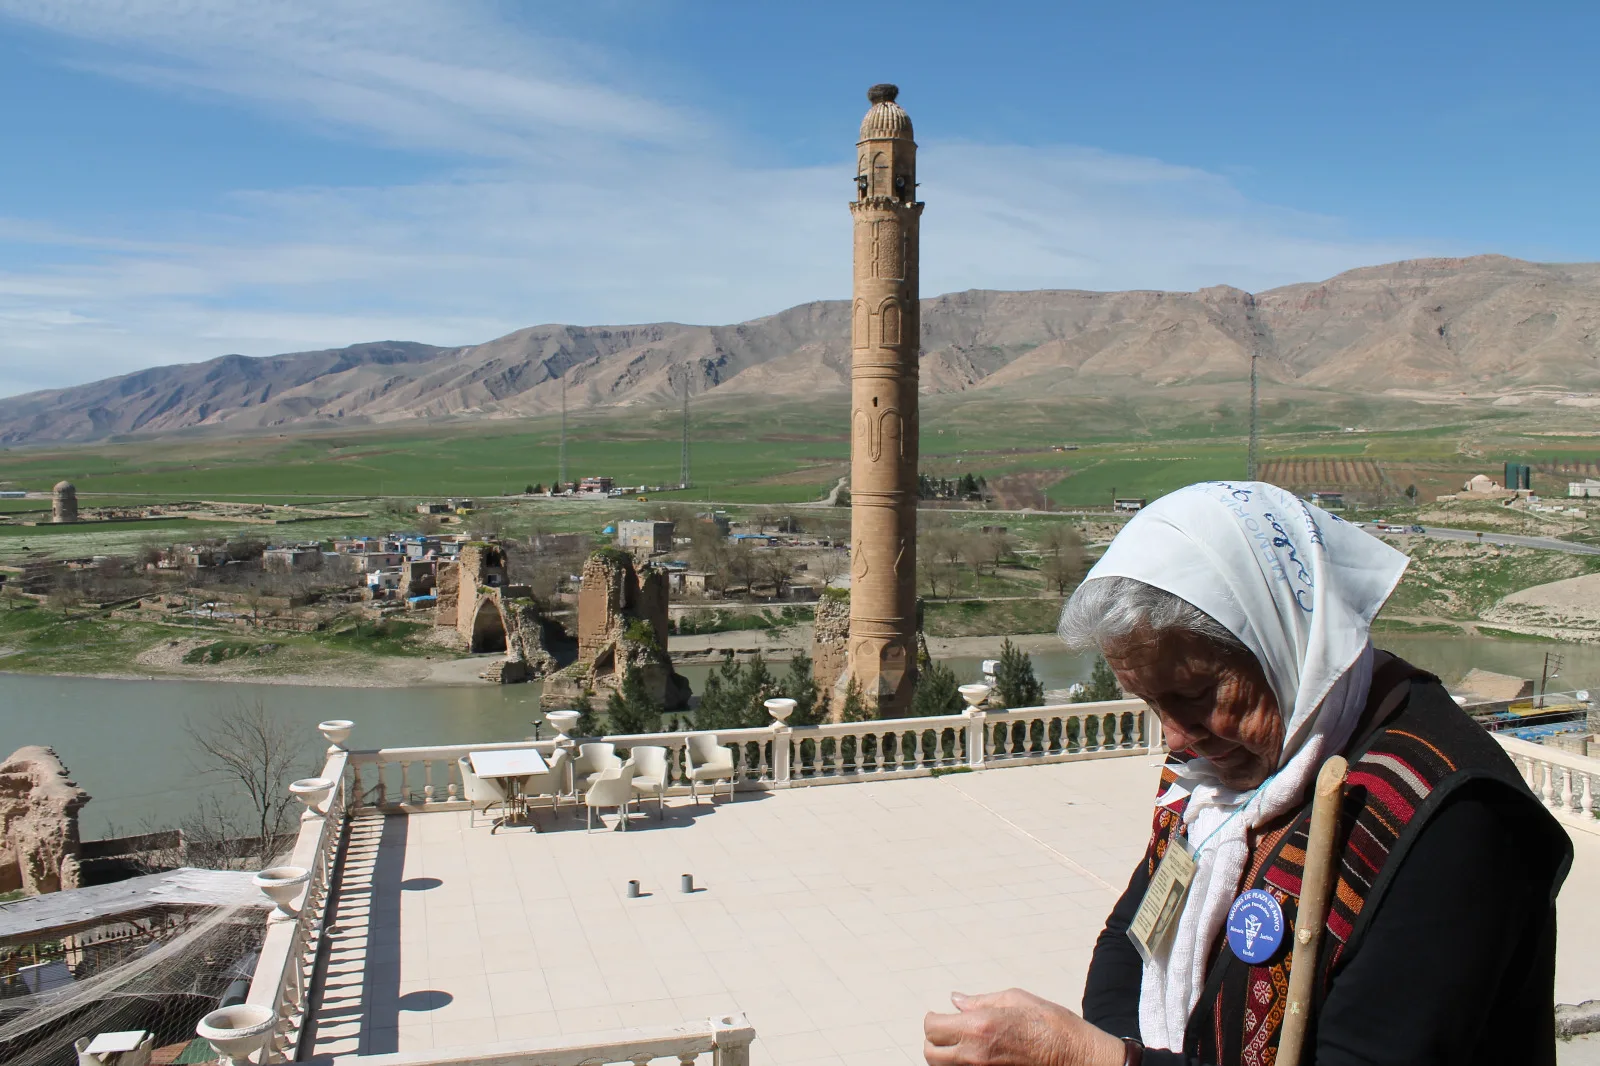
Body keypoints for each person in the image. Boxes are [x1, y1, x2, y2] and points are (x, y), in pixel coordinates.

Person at [923, 482, 1571, 1066]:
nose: (1176, 738)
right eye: (1153, 704)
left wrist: (1096, 1062)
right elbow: (1133, 941)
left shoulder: (1455, 822)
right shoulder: (1212, 786)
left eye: (1199, 694)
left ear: (1284, 642)